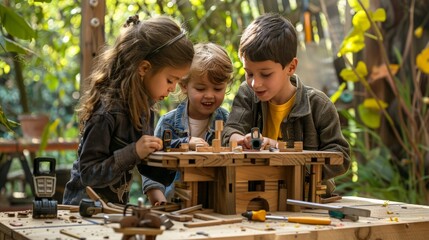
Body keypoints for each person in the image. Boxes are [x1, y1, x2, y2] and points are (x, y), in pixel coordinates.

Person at [62, 15, 194, 205]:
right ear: (144, 68)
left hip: (112, 211)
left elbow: (145, 165)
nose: (173, 88)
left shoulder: (144, 110)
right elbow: (88, 174)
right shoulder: (105, 111)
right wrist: (134, 151)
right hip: (82, 212)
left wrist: (179, 154)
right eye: (170, 80)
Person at [221, 13, 350, 197]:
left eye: (265, 74)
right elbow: (229, 132)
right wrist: (240, 140)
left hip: (307, 196)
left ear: (290, 67)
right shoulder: (247, 94)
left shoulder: (319, 105)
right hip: (256, 193)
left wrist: (280, 150)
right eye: (249, 73)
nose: (255, 83)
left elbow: (341, 157)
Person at [143, 43, 234, 203]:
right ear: (184, 86)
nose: (209, 95)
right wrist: (160, 203)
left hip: (216, 205)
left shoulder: (229, 123)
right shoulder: (168, 123)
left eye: (218, 89)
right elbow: (152, 172)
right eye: (200, 89)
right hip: (175, 206)